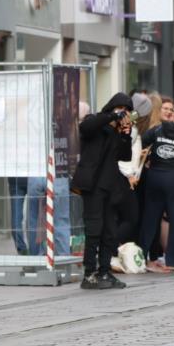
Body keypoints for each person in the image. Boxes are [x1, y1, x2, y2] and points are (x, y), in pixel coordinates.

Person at [72, 93, 134, 290]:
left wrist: (125, 134)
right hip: (93, 186)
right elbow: (85, 128)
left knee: (110, 231)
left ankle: (105, 271)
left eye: (127, 110)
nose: (123, 112)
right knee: (94, 230)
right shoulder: (96, 121)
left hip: (110, 187)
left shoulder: (118, 130)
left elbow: (125, 156)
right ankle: (89, 274)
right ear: (112, 107)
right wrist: (112, 117)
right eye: (120, 108)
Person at [139, 104, 174, 275]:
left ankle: (140, 257)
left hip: (155, 176)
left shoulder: (158, 129)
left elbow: (141, 142)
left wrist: (149, 158)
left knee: (149, 218)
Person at [116, 92, 154, 245]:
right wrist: (130, 175)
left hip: (124, 177)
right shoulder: (131, 128)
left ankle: (110, 249)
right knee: (131, 218)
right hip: (125, 179)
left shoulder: (129, 126)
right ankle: (109, 246)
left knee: (126, 218)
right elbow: (120, 156)